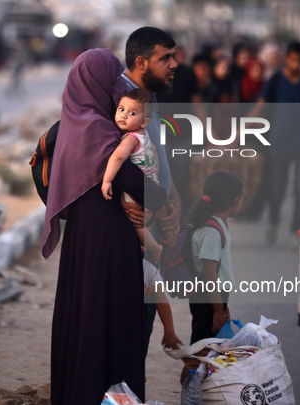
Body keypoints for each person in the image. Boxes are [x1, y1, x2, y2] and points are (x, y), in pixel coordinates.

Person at [42, 49, 167, 404]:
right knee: (111, 322)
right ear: (97, 82)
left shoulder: (74, 123)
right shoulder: (99, 129)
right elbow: (147, 191)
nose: (118, 87)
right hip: (110, 238)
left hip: (84, 236)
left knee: (83, 317)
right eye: (113, 79)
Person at [121, 27, 184, 358]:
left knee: (141, 329)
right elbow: (117, 164)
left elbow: (154, 155)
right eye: (166, 58)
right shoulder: (124, 102)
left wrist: (172, 200)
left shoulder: (149, 99)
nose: (174, 64)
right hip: (131, 229)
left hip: (153, 221)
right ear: (142, 62)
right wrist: (157, 204)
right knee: (129, 330)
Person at [250, 41, 300, 249]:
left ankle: (295, 232)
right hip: (279, 142)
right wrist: (239, 131)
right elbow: (260, 107)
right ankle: (274, 222)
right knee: (277, 189)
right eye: (293, 59)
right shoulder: (275, 81)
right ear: (287, 59)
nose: (296, 64)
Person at [102, 88, 163, 264]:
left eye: (132, 113)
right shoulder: (144, 136)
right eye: (121, 109)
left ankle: (153, 247)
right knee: (142, 218)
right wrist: (155, 179)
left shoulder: (130, 138)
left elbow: (118, 157)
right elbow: (155, 156)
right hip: (151, 183)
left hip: (137, 189)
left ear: (144, 122)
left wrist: (107, 180)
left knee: (131, 213)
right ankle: (144, 242)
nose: (124, 115)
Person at [186, 171, 243, 344]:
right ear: (234, 199)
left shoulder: (217, 225)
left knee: (209, 343)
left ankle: (197, 370)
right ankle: (191, 371)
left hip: (212, 296)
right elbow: (210, 273)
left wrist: (222, 307)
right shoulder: (211, 231)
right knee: (202, 343)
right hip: (206, 296)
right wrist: (218, 311)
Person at [142, 259, 182, 357]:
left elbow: (162, 303)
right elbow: (162, 303)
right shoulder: (148, 267)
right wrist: (169, 331)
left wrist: (169, 331)